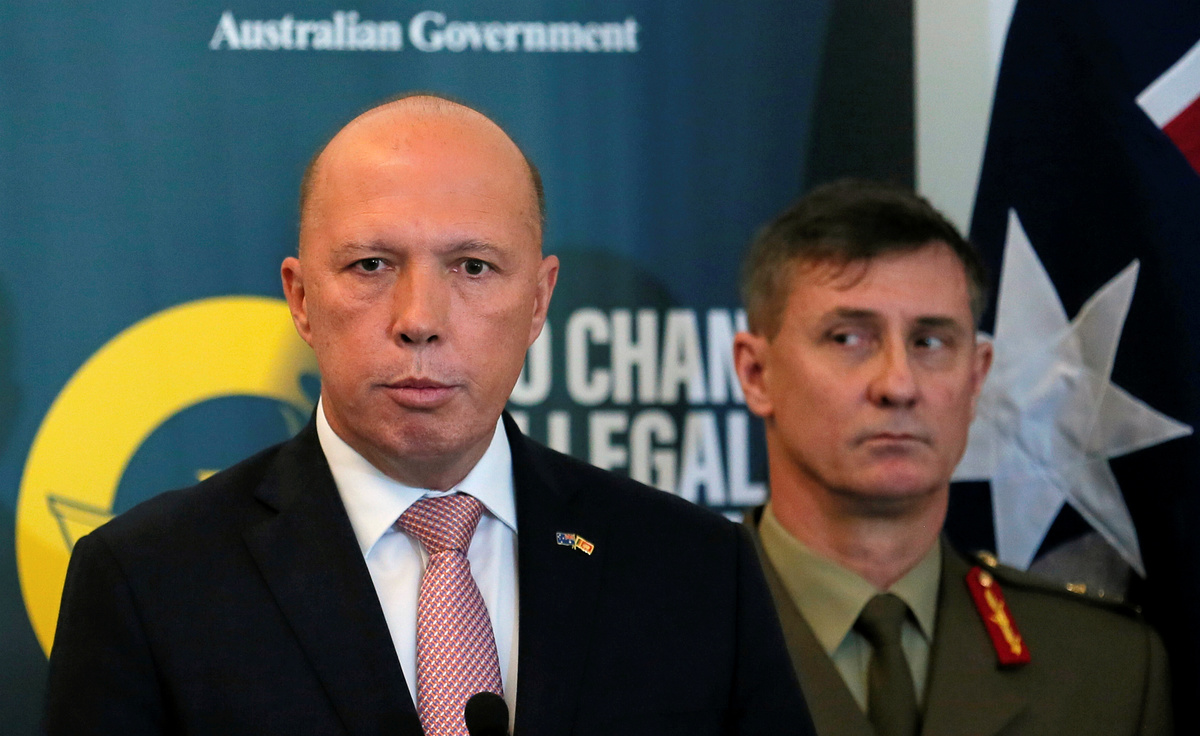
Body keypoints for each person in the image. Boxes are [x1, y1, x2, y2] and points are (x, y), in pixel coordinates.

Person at [43, 95, 814, 736]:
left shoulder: (695, 570)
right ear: (301, 299)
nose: (419, 319)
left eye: (473, 267)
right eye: (371, 265)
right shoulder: (148, 581)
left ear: (539, 299)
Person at [732, 179, 1172, 736]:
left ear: (976, 377)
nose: (898, 385)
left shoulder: (1104, 669)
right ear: (756, 374)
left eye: (930, 343)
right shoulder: (651, 640)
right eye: (848, 338)